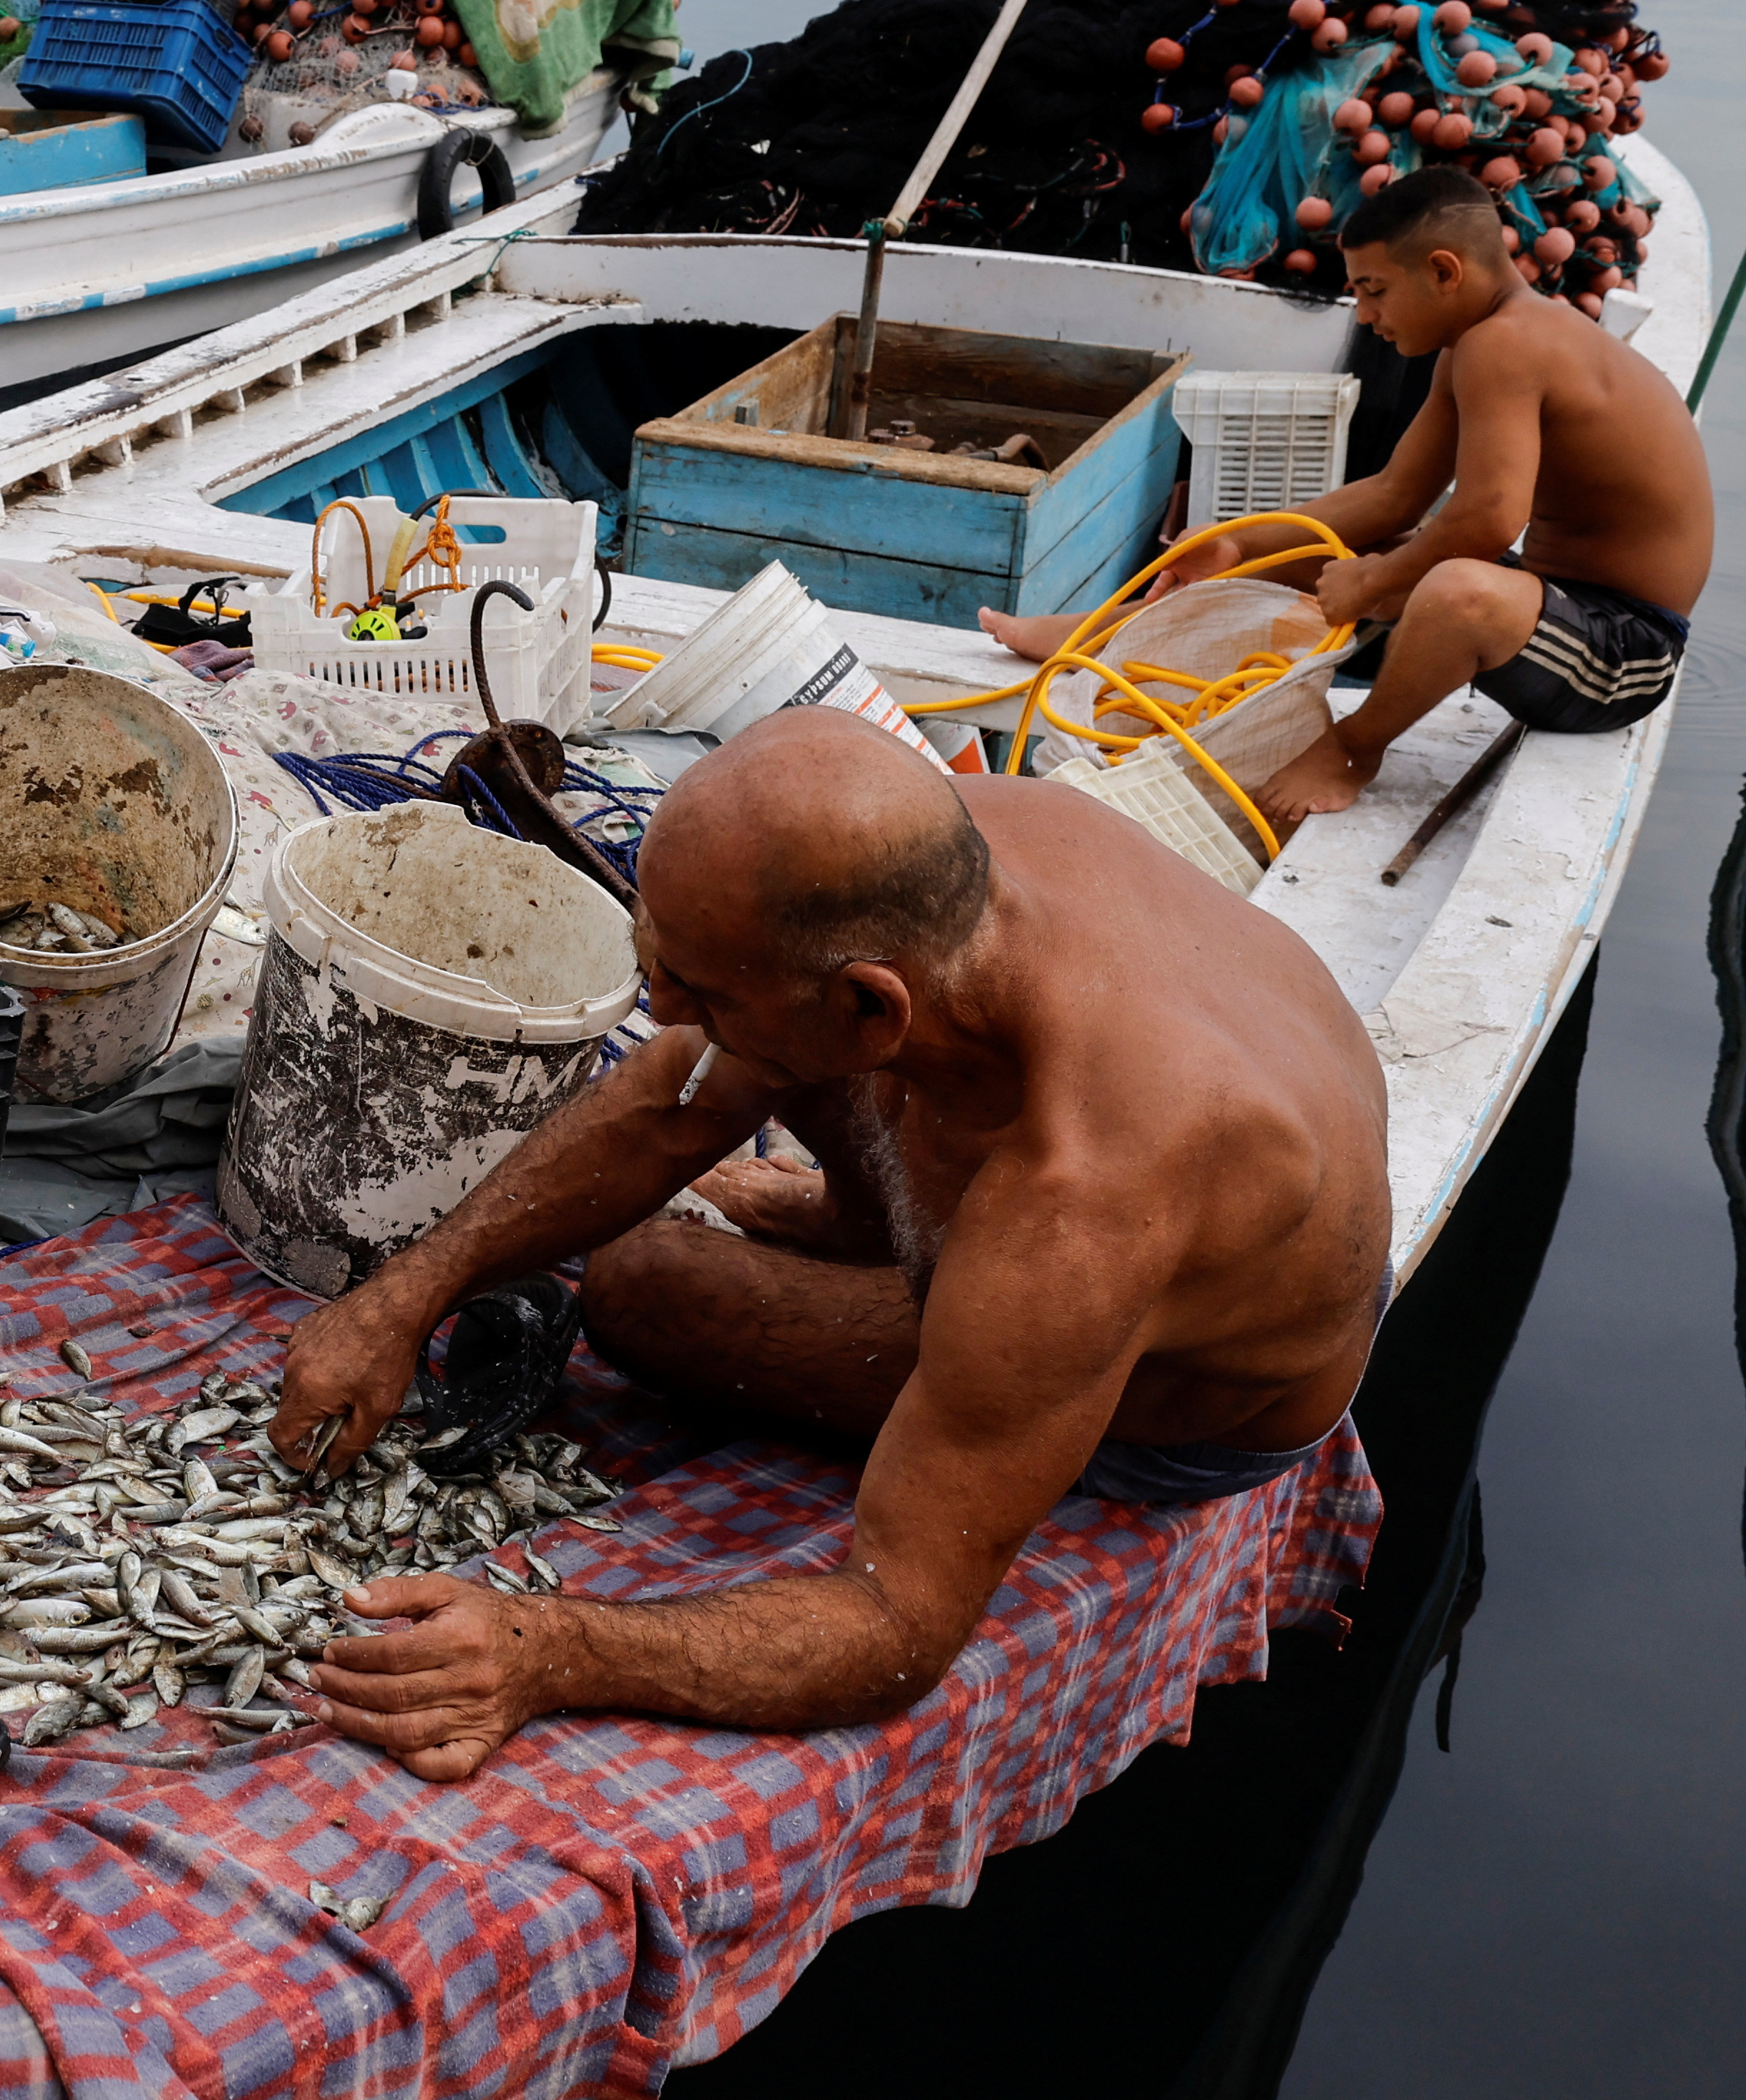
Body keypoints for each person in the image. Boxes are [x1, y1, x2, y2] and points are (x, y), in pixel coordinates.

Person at [267, 710, 1390, 1782]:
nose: (657, 1014)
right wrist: (401, 1300)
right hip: (1103, 1162)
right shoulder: (951, 851)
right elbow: (682, 1092)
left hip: (1184, 1397)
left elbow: (894, 1625)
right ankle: (850, 1217)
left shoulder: (1077, 1214)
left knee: (648, 1287)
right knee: (748, 1062)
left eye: (693, 991)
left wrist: (549, 1649)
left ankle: (891, 1253)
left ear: (870, 1012)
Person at [985, 162, 1713, 825]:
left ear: (1443, 271)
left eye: (1374, 291)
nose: (1365, 317)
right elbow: (1395, 495)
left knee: (1454, 589)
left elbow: (1492, 519)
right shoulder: (1475, 342)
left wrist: (1378, 580)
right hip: (1554, 606)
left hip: (1628, 649)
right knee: (1326, 549)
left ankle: (1356, 747)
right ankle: (1106, 631)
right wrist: (1238, 541)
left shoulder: (1508, 344)